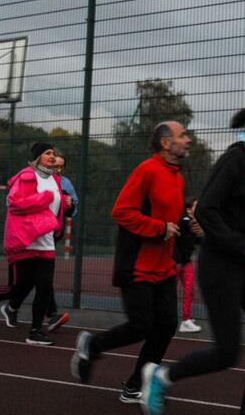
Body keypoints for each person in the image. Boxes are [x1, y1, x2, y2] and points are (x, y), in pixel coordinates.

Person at [139, 96, 245, 415]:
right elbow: (206, 211)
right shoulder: (234, 160)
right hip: (222, 267)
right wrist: (239, 243)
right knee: (227, 353)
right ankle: (162, 376)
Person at [70, 121, 192, 405]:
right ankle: (92, 344)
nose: (188, 139)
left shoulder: (177, 175)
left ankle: (136, 383)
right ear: (165, 143)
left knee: (165, 326)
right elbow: (121, 211)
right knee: (141, 326)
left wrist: (186, 224)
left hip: (163, 267)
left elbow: (173, 217)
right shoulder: (147, 170)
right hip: (136, 265)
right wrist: (159, 228)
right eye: (182, 135)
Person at [0, 142, 68, 345]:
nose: (52, 156)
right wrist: (45, 198)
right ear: (37, 157)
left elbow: (56, 208)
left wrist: (64, 205)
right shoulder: (27, 176)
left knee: (44, 288)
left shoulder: (56, 179)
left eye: (53, 154)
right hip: (26, 242)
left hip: (46, 242)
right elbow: (16, 203)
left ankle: (35, 331)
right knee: (15, 289)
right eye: (48, 153)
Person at [42, 148, 77, 333]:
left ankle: (51, 314)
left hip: (51, 235)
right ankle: (12, 305)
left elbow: (74, 207)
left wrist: (70, 205)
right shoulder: (34, 179)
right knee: (22, 280)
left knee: (43, 275)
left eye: (61, 167)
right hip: (29, 234)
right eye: (55, 166)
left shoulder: (65, 183)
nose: (58, 170)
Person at [175, 199, 203, 333]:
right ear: (189, 210)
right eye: (196, 206)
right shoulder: (185, 220)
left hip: (186, 262)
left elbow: (200, 240)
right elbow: (187, 223)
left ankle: (186, 320)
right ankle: (157, 318)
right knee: (167, 293)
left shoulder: (195, 227)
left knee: (189, 290)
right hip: (174, 263)